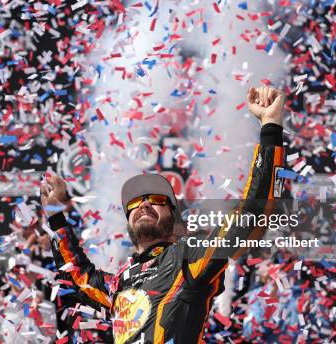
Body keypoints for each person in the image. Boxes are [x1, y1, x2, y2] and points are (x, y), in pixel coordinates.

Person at [40, 86, 286, 344]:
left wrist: (270, 126)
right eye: (135, 203)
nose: (144, 205)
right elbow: (76, 275)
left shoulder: (188, 256)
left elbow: (252, 214)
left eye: (156, 200)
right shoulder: (119, 283)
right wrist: (56, 216)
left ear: (175, 223)